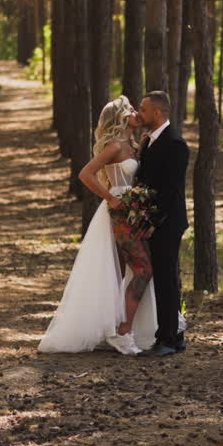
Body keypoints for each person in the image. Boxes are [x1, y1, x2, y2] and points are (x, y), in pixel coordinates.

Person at [38, 96, 157, 355]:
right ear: (122, 117)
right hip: (119, 212)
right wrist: (111, 197)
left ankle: (117, 327)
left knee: (128, 270)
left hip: (134, 211)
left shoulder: (133, 144)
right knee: (143, 268)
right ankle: (122, 332)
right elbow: (85, 173)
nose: (137, 112)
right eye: (131, 109)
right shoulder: (114, 146)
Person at [132, 91, 190, 357]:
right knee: (165, 279)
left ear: (157, 113)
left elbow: (171, 190)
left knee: (166, 280)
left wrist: (154, 221)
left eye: (143, 110)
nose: (139, 114)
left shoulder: (175, 144)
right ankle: (175, 335)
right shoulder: (153, 141)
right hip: (156, 220)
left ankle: (167, 339)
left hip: (167, 222)